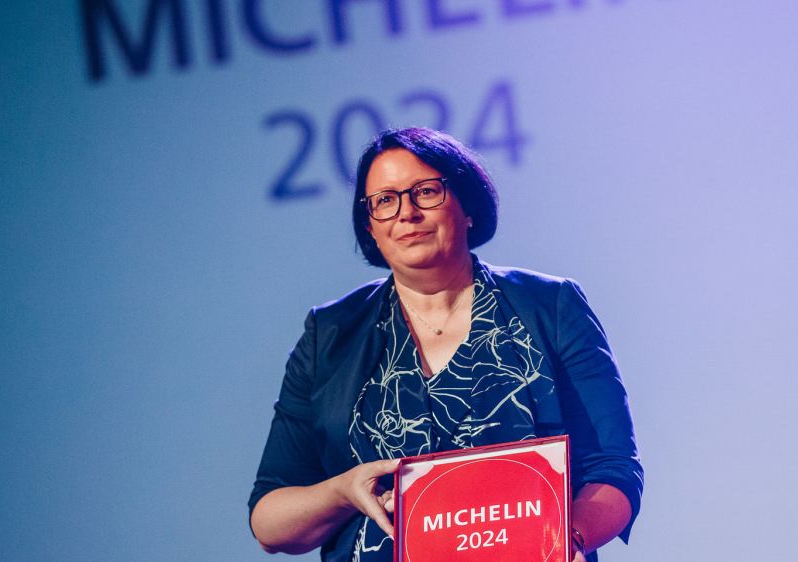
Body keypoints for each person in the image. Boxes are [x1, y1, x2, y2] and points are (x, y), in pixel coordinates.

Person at [248, 127, 642, 562]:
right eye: (385, 200)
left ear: (468, 206)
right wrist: (342, 492)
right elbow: (269, 521)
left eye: (426, 192)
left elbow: (613, 468)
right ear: (370, 226)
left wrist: (565, 541)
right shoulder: (329, 333)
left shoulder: (550, 305)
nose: (406, 213)